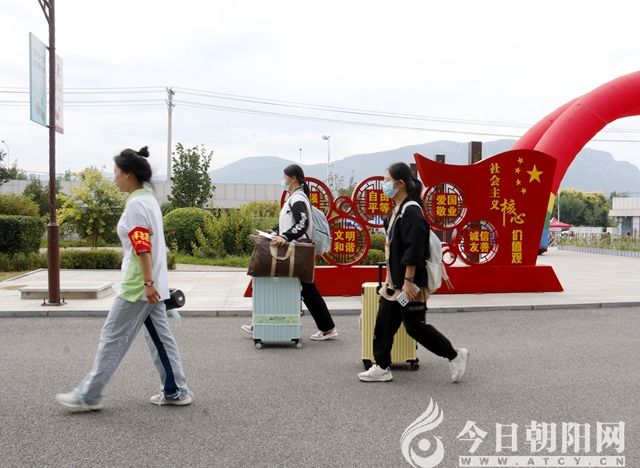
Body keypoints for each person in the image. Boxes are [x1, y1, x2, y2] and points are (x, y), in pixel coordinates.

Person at [55, 146, 192, 411]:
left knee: (112, 337)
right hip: (151, 284)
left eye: (116, 172)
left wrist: (147, 283)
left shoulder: (136, 205)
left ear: (128, 174)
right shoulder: (148, 200)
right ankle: (176, 390)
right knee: (160, 338)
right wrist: (152, 283)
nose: (114, 177)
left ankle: (89, 395)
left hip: (138, 286)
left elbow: (142, 246)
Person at [358, 162, 469, 383]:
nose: (384, 185)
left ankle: (455, 355)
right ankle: (381, 366)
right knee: (383, 324)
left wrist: (408, 280)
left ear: (400, 184)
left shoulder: (411, 211)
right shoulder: (398, 210)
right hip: (394, 285)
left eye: (387, 181)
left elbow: (414, 249)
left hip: (409, 285)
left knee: (416, 328)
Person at [242, 164, 337, 341]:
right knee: (304, 289)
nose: (283, 180)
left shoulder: (298, 198)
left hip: (296, 251)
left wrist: (285, 236)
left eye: (284, 177)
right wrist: (274, 232)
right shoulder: (293, 198)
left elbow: (302, 223)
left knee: (302, 289)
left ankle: (327, 328)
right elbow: (291, 223)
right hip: (293, 250)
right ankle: (327, 328)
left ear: (293, 178)